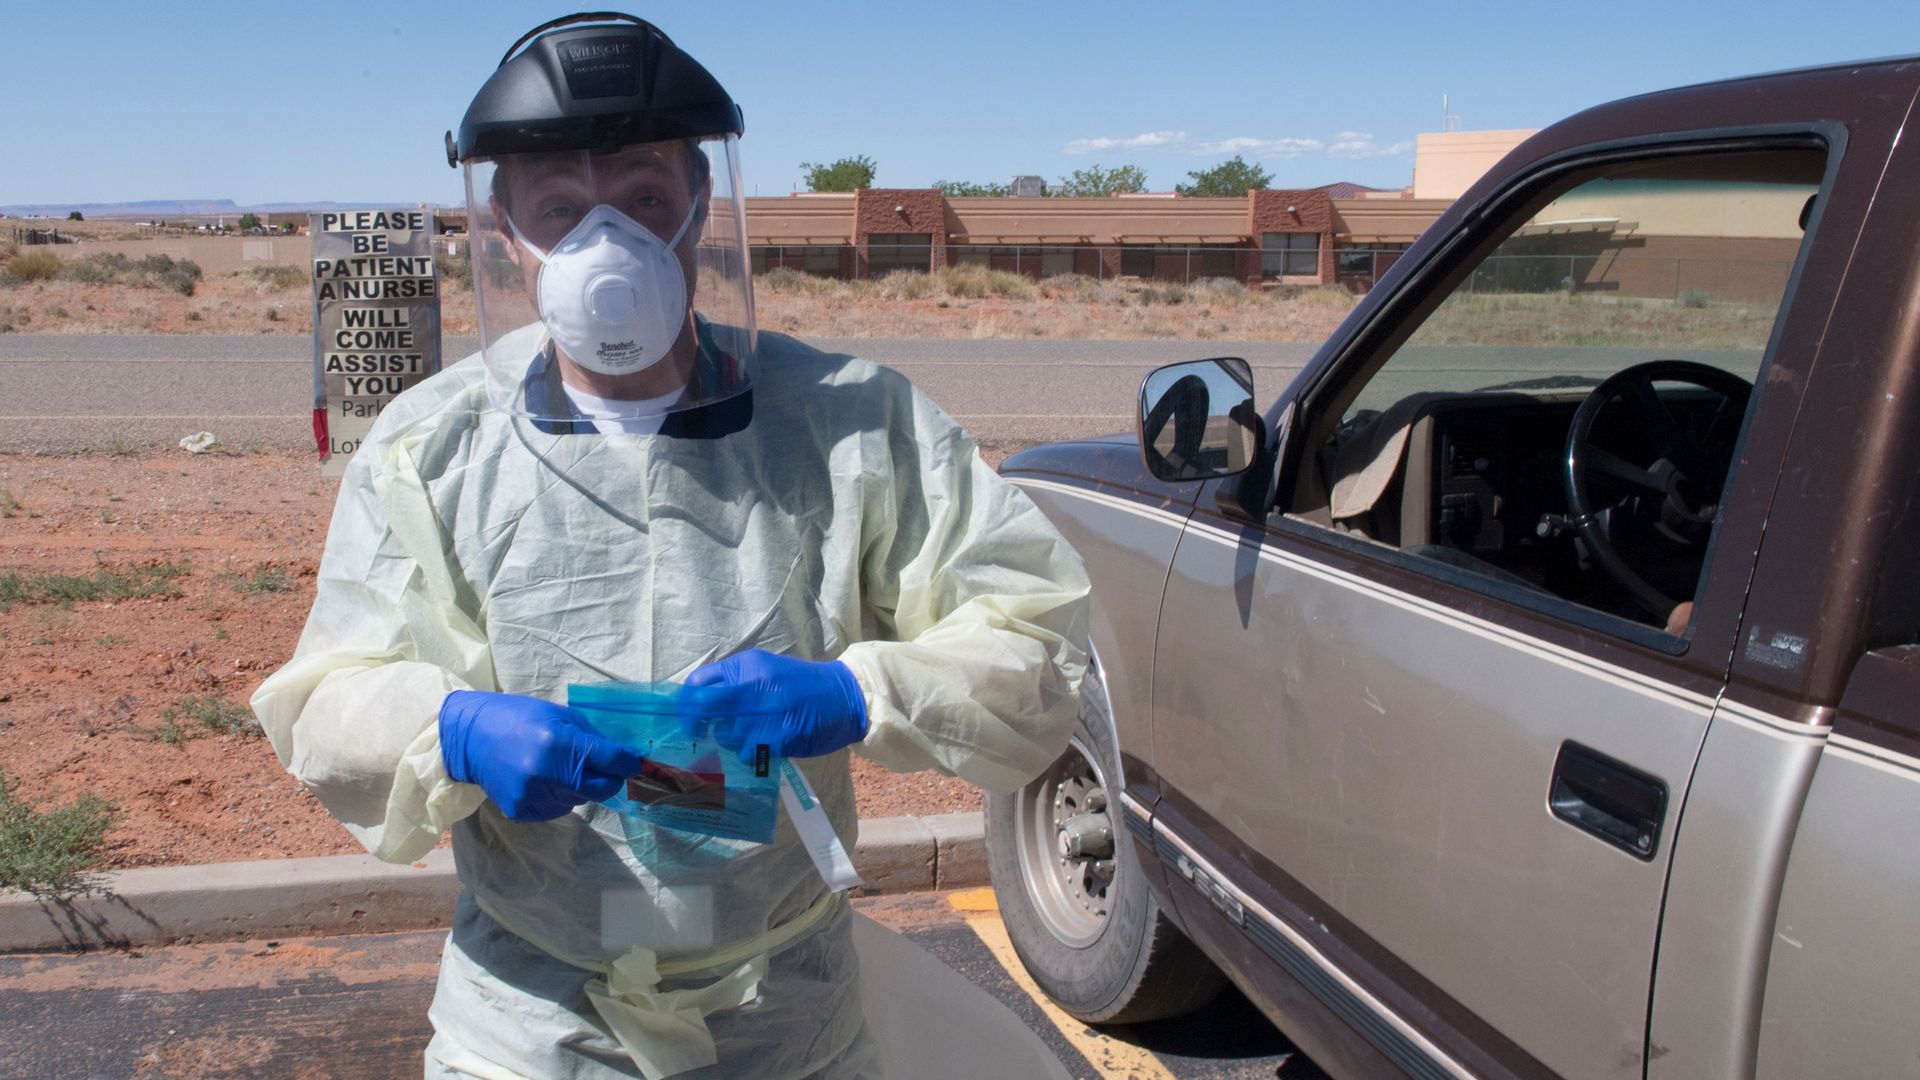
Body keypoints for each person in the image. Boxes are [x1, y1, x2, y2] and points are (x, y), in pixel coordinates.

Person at [251, 14, 1090, 1079]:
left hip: (783, 1014)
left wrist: (856, 690)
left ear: (701, 210)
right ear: (506, 231)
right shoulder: (435, 447)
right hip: (533, 1015)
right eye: (560, 208)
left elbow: (1038, 645)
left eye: (645, 199)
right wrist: (449, 728)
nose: (608, 244)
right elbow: (327, 696)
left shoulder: (849, 424)